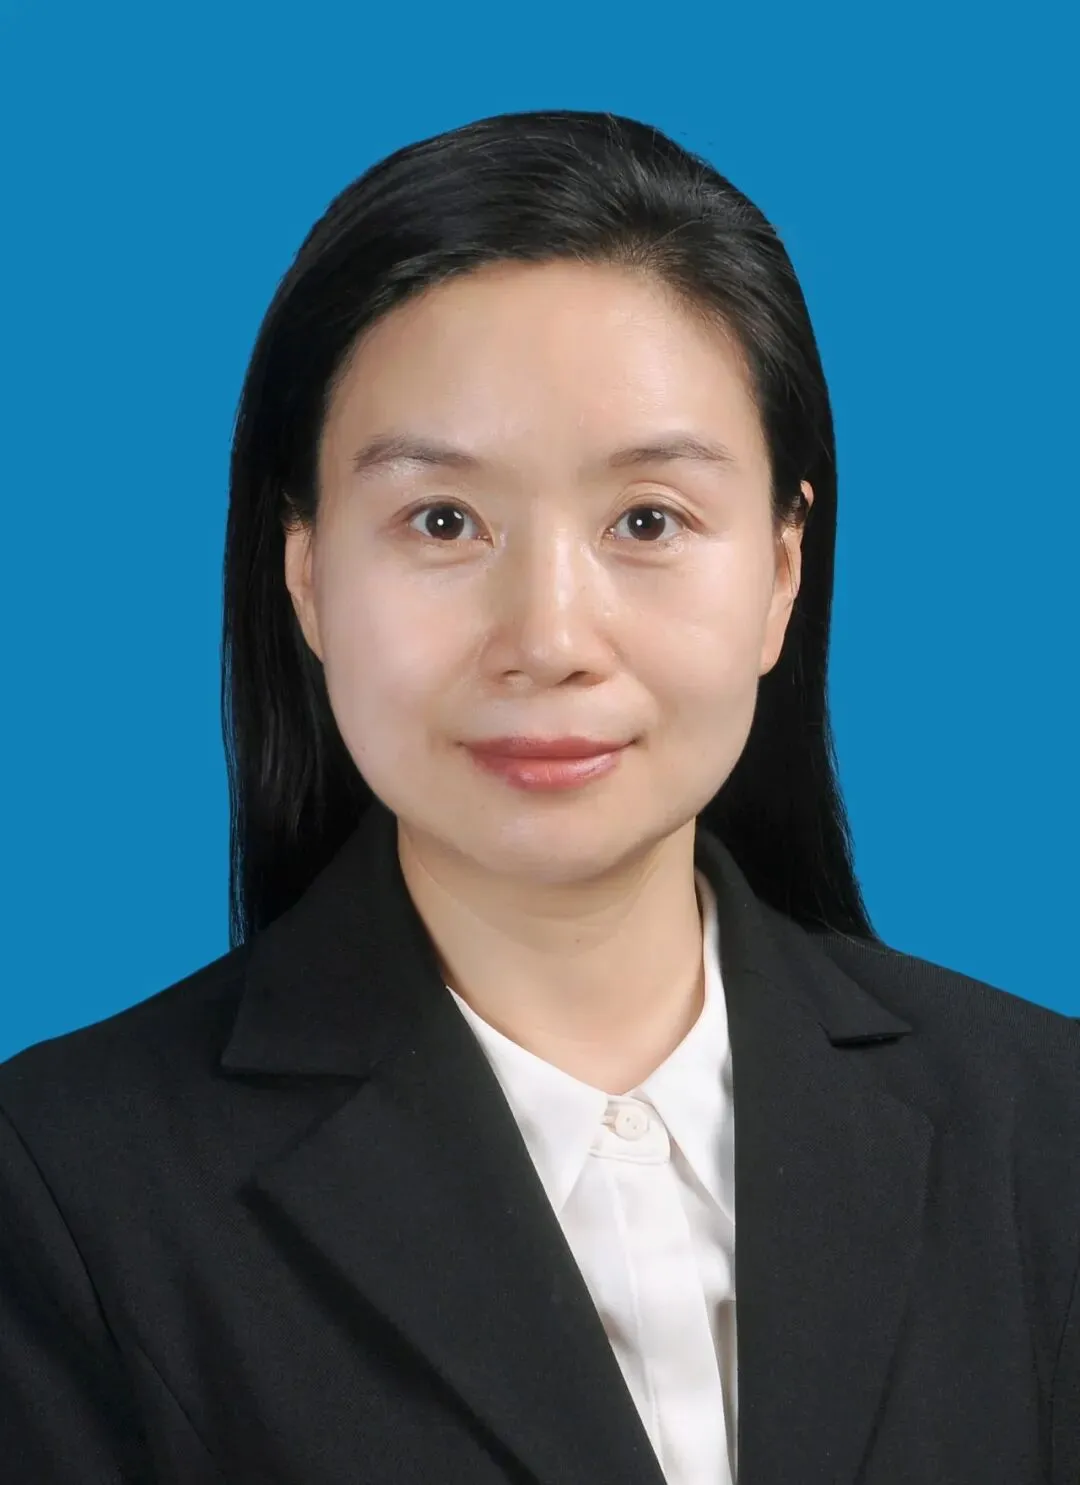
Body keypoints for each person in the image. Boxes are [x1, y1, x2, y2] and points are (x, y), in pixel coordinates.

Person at [0, 109, 1076, 1485]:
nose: (550, 637)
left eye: (648, 520)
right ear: (307, 574)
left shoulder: (1043, 1131)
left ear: (783, 572)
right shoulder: (61, 1191)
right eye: (443, 521)